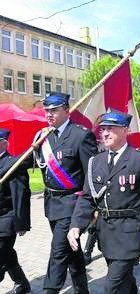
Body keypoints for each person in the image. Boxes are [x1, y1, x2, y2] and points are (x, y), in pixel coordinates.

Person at [67, 110, 140, 294]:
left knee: (111, 286)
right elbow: (88, 197)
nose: (104, 133)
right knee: (125, 281)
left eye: (110, 129)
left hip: (129, 233)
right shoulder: (95, 162)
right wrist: (76, 225)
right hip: (106, 233)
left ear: (125, 130)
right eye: (102, 129)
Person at [33, 92, 98, 293]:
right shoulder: (44, 135)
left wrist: (93, 207)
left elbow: (91, 174)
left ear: (66, 111)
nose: (49, 114)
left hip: (72, 205)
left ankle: (50, 289)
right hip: (52, 204)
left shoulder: (81, 135)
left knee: (58, 251)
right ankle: (82, 289)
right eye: (47, 110)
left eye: (54, 110)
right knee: (72, 251)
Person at [0, 128, 31, 294]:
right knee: (7, 253)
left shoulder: (13, 165)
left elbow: (21, 195)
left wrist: (21, 223)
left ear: (4, 144)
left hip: (6, 220)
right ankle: (22, 284)